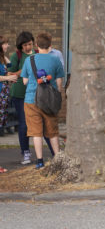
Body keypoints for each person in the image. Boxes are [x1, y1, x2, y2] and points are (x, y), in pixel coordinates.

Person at [20, 32, 65, 170]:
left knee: (36, 132)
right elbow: (58, 84)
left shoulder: (29, 60)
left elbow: (25, 81)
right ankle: (58, 159)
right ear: (50, 45)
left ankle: (39, 161)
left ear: (37, 46)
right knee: (52, 131)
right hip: (49, 101)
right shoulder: (56, 60)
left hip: (31, 100)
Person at [9, 32, 35, 165]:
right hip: (19, 94)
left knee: (36, 123)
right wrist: (23, 71)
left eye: (29, 44)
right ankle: (25, 152)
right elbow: (10, 73)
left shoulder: (37, 53)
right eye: (25, 45)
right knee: (24, 124)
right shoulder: (17, 56)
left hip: (36, 94)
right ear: (21, 46)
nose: (28, 47)